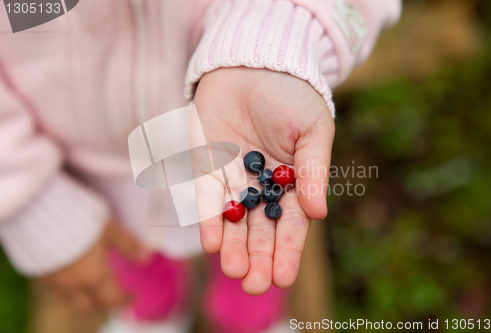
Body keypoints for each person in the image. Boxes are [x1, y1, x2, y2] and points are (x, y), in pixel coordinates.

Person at [0, 0, 401, 332]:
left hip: (230, 130)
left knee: (250, 254)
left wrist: (280, 33)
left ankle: (250, 319)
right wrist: (31, 202)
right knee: (135, 261)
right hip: (94, 165)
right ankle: (151, 314)